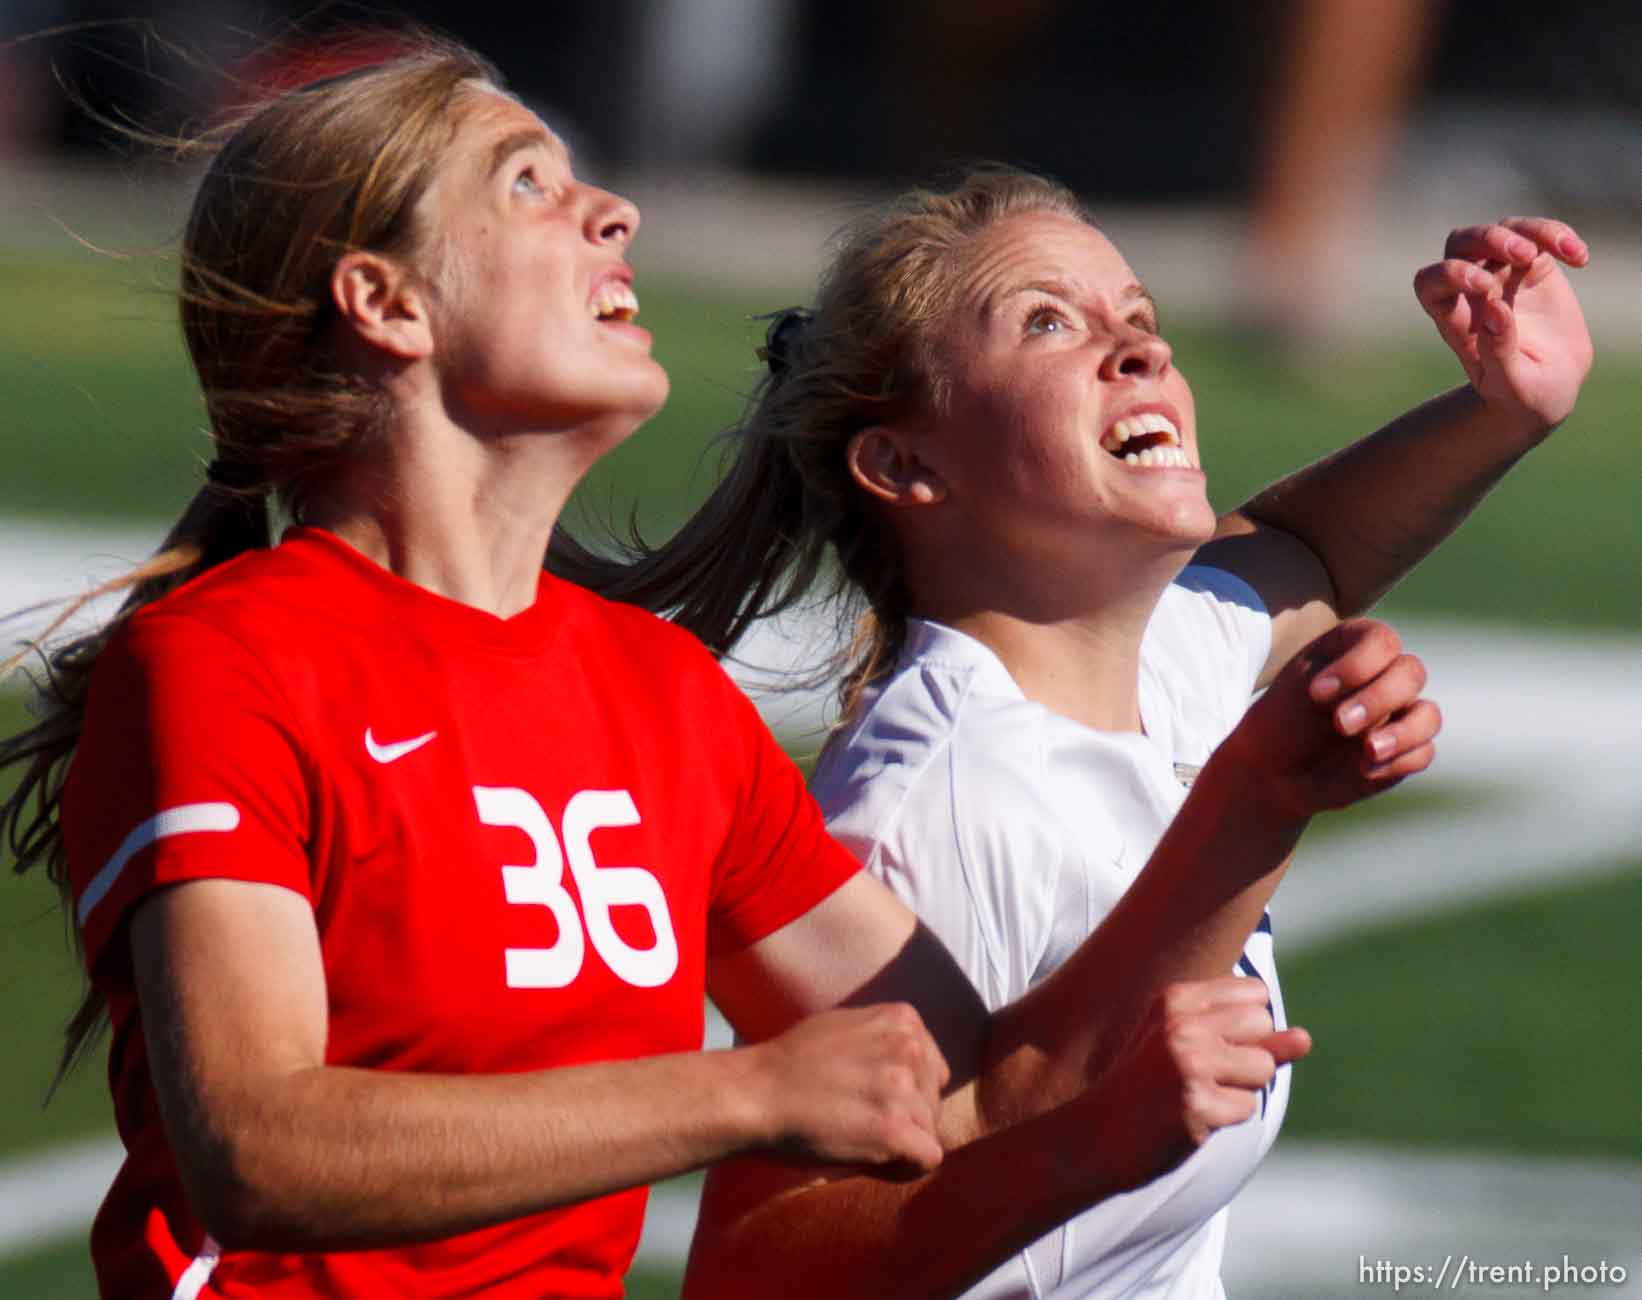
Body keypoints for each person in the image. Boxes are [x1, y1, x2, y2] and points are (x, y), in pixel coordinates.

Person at [0, 35, 1453, 1299]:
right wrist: (739, 1091)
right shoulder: (224, 661)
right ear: (388, 305)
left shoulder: (662, 694)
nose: (612, 210)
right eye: (526, 183)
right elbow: (256, 1148)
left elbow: (963, 1081)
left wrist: (1254, 800)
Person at [560, 171, 1588, 1298]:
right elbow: (770, 1276)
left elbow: (1310, 548)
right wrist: (1088, 1132)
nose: (1138, 349)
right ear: (908, 464)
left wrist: (1502, 410)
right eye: (1047, 322)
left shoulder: (1167, 650)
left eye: (1138, 319)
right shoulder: (940, 805)